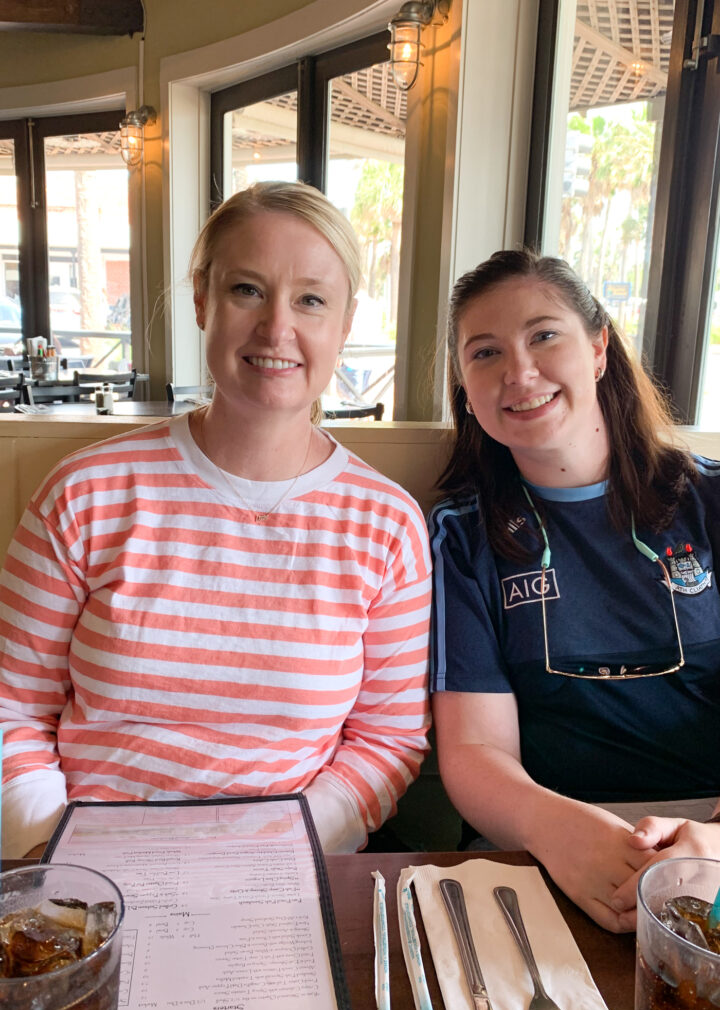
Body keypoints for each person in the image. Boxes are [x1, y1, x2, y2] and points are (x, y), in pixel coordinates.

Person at [0, 181, 431, 859]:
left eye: (311, 300)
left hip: (283, 870)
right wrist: (50, 858)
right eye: (247, 291)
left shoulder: (387, 526)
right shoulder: (84, 492)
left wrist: (285, 848)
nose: (276, 329)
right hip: (87, 869)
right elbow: (12, 708)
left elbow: (386, 738)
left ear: (344, 325)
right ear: (202, 298)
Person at [429, 249, 720, 932]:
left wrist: (712, 845)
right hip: (539, 847)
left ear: (598, 349)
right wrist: (558, 832)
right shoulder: (459, 536)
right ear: (466, 387)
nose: (519, 372)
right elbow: (474, 750)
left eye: (543, 336)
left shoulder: (710, 500)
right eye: (485, 353)